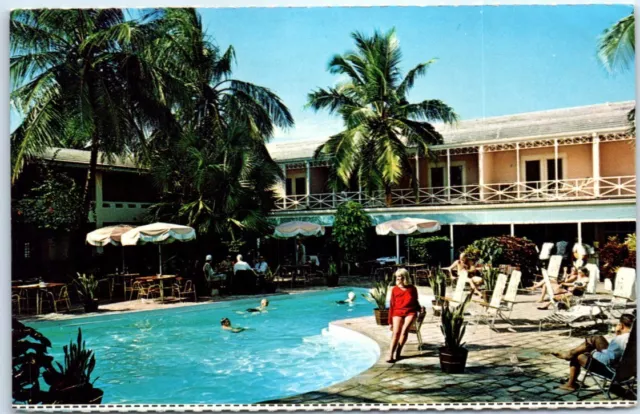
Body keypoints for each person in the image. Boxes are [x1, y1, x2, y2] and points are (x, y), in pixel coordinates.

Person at [551, 314, 634, 391]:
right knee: (597, 338)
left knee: (579, 355)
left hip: (615, 373)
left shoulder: (620, 340)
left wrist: (593, 353)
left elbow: (607, 360)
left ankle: (570, 384)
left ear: (621, 325)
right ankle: (570, 353)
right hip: (629, 370)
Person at [387, 268, 421, 363]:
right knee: (396, 332)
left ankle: (398, 351)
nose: (398, 279)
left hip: (410, 311)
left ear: (405, 278)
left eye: (400, 277)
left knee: (404, 331)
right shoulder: (394, 289)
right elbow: (392, 305)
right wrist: (390, 322)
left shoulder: (412, 289)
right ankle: (390, 354)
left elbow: (415, 301)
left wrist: (420, 308)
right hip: (397, 311)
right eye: (397, 277)